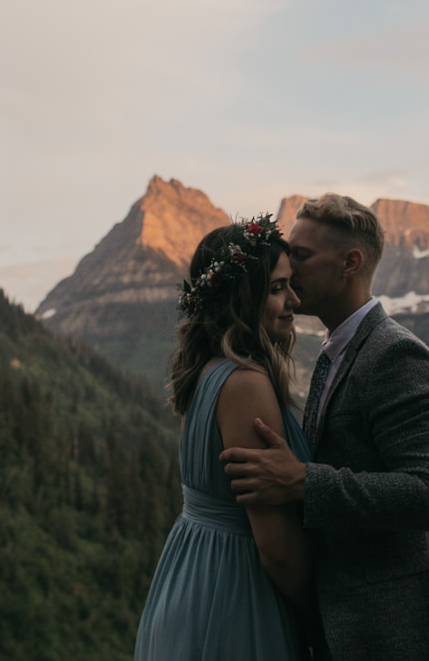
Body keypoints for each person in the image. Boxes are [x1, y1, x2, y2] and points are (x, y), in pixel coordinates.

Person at [220, 194, 429, 661]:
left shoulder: (396, 355)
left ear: (350, 263)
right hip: (349, 629)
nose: (286, 265)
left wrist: (301, 480)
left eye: (301, 255)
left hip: (399, 630)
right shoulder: (336, 351)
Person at [135, 215, 314, 661]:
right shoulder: (245, 384)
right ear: (243, 298)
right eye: (277, 289)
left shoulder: (205, 373)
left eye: (290, 285)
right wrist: (323, 619)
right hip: (237, 591)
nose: (294, 300)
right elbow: (275, 545)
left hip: (189, 575)